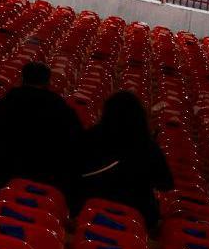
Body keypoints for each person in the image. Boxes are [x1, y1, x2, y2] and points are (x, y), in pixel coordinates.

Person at [69, 91, 173, 231]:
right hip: (135, 216)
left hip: (89, 208)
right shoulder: (147, 146)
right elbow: (166, 183)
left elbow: (75, 167)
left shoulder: (93, 136)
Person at [0, 62, 82, 193]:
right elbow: (75, 139)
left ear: (22, 79)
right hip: (44, 172)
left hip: (5, 168)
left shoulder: (4, 102)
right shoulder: (61, 108)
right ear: (48, 83)